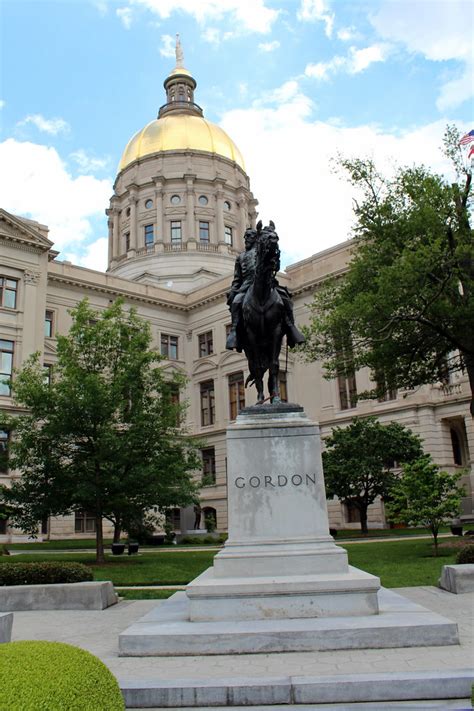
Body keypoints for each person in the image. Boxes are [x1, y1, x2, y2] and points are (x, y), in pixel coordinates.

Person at [225, 223, 305, 351]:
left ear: (255, 238)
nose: (246, 240)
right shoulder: (240, 257)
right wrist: (234, 292)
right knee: (236, 302)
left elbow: (274, 265)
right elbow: (237, 279)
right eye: (245, 238)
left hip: (268, 283)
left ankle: (291, 327)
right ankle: (234, 331)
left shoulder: (261, 252)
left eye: (249, 237)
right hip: (246, 286)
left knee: (285, 299)